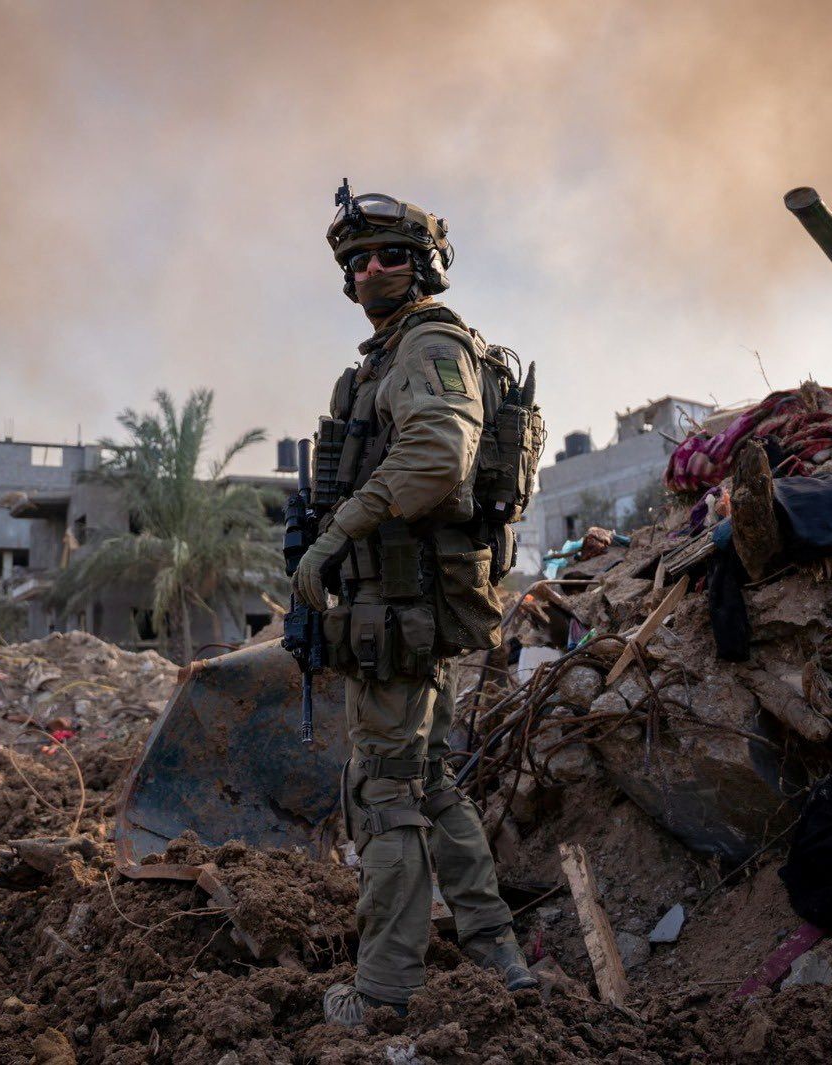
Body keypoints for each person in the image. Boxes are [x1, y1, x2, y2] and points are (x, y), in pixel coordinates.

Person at [292, 184, 539, 1026]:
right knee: (429, 780)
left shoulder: (429, 345)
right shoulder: (388, 356)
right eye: (355, 259)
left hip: (404, 608)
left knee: (386, 792)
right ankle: (500, 956)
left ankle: (385, 992)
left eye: (389, 253)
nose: (369, 270)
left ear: (427, 263)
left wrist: (338, 534)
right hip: (395, 609)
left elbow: (438, 455)